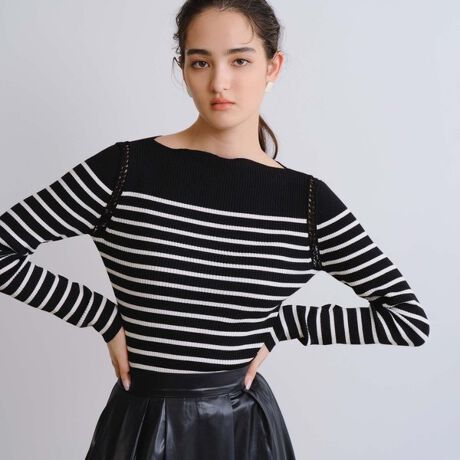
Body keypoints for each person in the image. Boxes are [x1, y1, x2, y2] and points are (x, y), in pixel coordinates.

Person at [0, 1, 430, 459]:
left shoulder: (306, 204)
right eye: (200, 62)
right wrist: (102, 317)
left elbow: (406, 320)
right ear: (183, 69)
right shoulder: (124, 170)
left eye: (240, 61)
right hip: (142, 431)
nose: (219, 82)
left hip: (243, 435)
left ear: (273, 67)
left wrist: (284, 325)